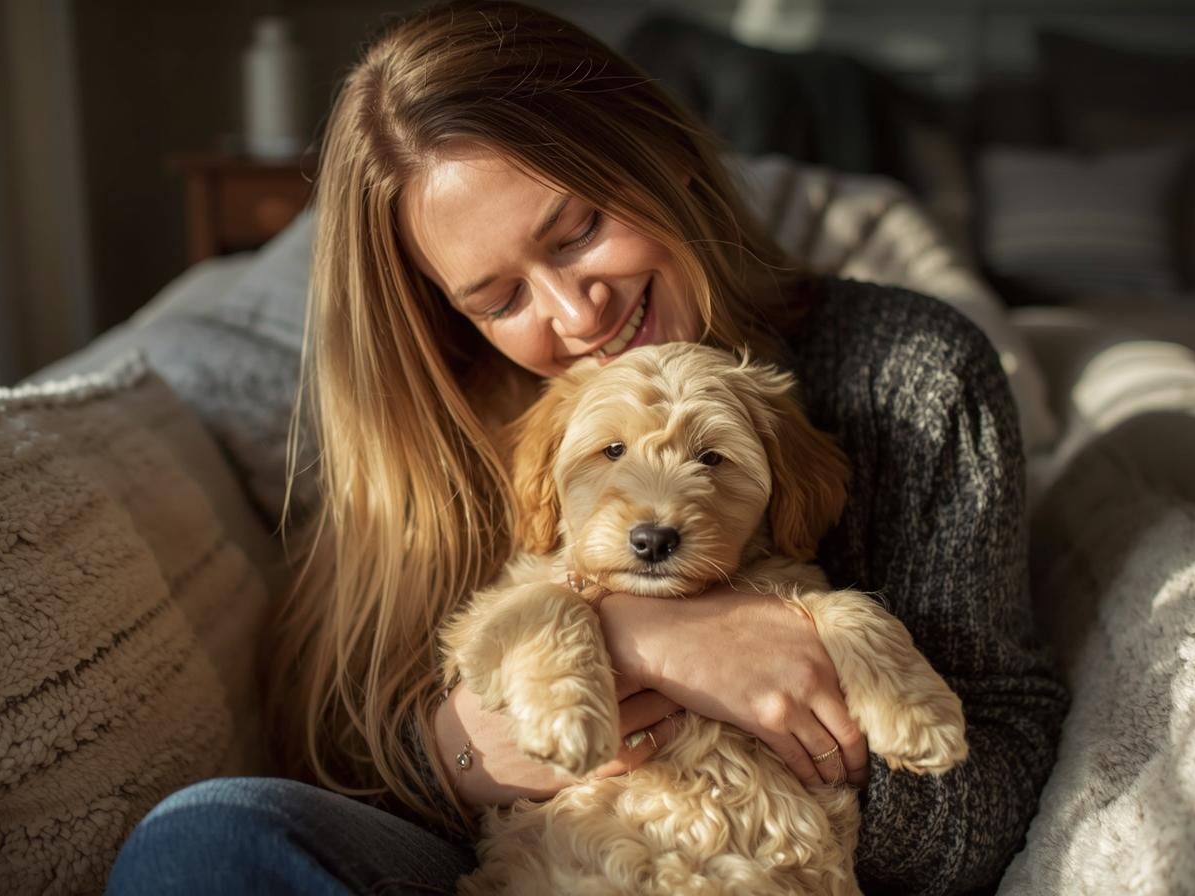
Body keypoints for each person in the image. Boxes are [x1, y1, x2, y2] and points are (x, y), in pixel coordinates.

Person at [106, 2, 1067, 893]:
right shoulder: (455, 420)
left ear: (660, 155)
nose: (575, 315)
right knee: (209, 837)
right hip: (500, 861)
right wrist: (489, 734)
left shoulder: (913, 373)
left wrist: (777, 708)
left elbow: (988, 797)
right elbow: (332, 745)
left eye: (578, 231)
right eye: (501, 299)